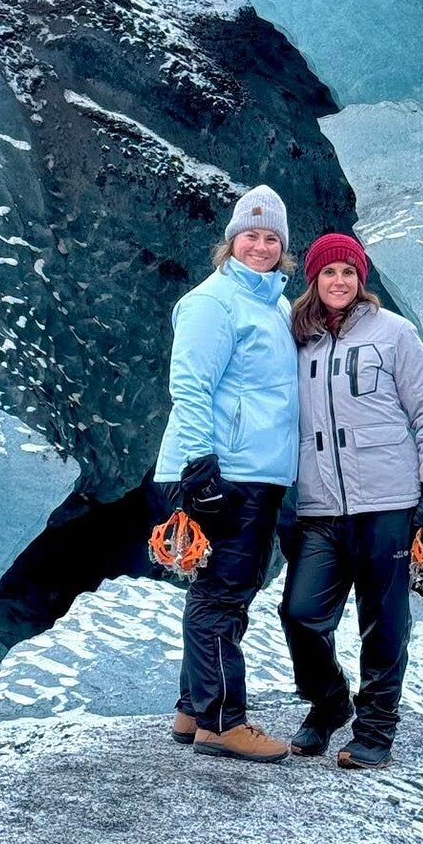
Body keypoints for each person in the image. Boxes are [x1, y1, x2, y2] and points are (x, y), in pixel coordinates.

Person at [280, 231, 423, 769]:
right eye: (329, 272)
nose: (339, 281)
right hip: (320, 507)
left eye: (348, 273)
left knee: (383, 618)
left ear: (361, 280)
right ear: (314, 279)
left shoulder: (393, 333)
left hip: (386, 502)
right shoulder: (298, 339)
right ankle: (329, 702)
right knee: (300, 613)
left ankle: (376, 726)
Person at [154, 184, 298, 763]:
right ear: (230, 242)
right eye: (250, 235)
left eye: (271, 238)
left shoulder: (275, 305)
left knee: (222, 591)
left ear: (283, 248)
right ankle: (221, 722)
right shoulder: (212, 302)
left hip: (256, 471)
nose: (260, 246)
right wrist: (199, 466)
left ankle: (192, 709)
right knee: (224, 595)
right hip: (222, 470)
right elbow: (189, 386)